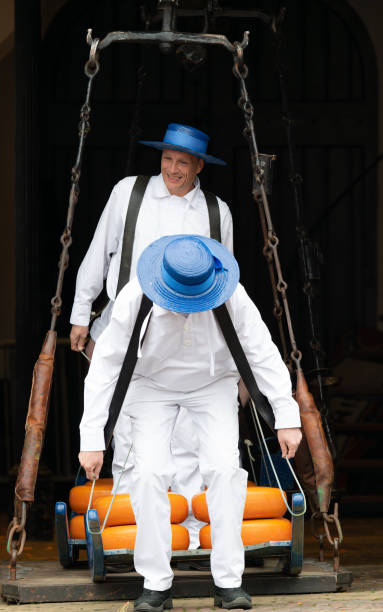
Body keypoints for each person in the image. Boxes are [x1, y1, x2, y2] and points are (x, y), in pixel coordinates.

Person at [79, 234, 302, 612]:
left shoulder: (231, 293)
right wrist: (92, 438)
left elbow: (262, 351)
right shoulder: (137, 296)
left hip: (212, 382)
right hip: (149, 384)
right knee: (148, 473)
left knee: (224, 469)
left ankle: (229, 583)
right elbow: (104, 367)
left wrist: (286, 417)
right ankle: (155, 584)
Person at [69, 123, 233, 548]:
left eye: (182, 162)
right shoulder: (129, 193)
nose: (172, 169)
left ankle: (192, 535)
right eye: (167, 159)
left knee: (189, 438)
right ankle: (137, 535)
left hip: (188, 339)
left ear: (199, 166)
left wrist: (230, 357)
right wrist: (80, 314)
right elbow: (97, 251)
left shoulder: (217, 212)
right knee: (128, 433)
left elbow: (224, 283)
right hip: (124, 334)